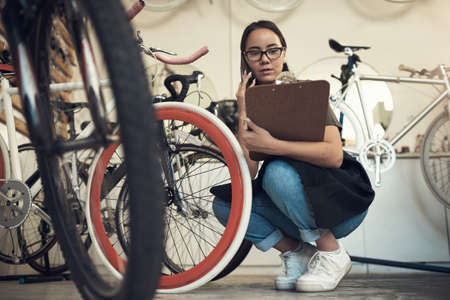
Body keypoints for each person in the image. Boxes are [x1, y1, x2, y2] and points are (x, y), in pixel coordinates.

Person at [212, 20, 375, 292]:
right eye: (255, 52)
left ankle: (332, 253)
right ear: (245, 59)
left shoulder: (307, 93)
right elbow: (247, 173)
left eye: (272, 50)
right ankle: (298, 253)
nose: (265, 59)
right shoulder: (249, 102)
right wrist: (243, 109)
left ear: (284, 53)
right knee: (226, 205)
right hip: (292, 204)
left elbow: (334, 155)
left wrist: (275, 146)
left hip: (337, 201)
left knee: (276, 172)